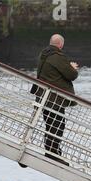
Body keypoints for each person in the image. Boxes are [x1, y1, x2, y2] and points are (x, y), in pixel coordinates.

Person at [29, 34, 79, 167]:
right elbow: (71, 75)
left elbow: (53, 73)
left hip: (44, 97)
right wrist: (72, 67)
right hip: (55, 99)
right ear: (61, 45)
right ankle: (53, 154)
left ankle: (51, 152)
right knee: (58, 127)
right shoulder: (57, 56)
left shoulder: (43, 55)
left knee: (50, 126)